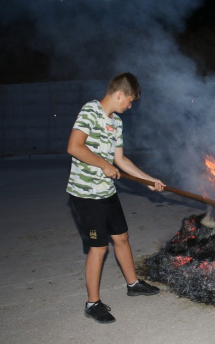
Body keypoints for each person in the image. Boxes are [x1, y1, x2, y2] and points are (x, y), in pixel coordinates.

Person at [66, 72, 165, 324]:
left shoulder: (116, 122)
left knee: (121, 237)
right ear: (119, 94)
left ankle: (133, 284)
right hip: (86, 194)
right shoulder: (90, 111)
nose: (129, 107)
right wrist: (102, 164)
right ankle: (92, 303)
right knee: (98, 248)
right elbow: (74, 146)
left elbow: (120, 160)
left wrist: (148, 179)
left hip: (106, 191)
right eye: (129, 101)